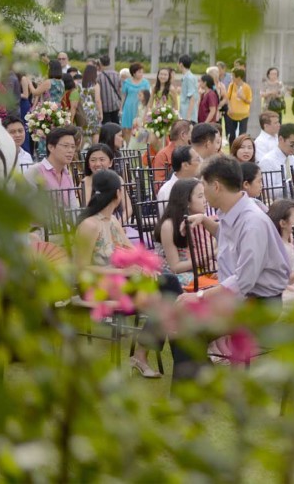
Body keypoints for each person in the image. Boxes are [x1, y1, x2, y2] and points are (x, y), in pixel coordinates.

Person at [172, 155, 291, 383]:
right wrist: (206, 222)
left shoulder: (252, 221)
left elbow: (243, 282)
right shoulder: (234, 210)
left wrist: (199, 296)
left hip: (259, 303)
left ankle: (192, 399)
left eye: (203, 186)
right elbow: (231, 241)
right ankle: (198, 391)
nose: (202, 192)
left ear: (216, 186)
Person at [74, 169, 182, 378]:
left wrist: (146, 266)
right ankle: (164, 351)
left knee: (167, 286)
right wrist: (124, 271)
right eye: (122, 190)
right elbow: (81, 269)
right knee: (164, 294)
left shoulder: (112, 221)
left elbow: (130, 251)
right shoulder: (89, 225)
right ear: (116, 194)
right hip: (95, 286)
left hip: (118, 280)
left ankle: (149, 353)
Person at [154, 178, 206, 289]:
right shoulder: (169, 226)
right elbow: (175, 267)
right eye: (201, 196)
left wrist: (210, 261)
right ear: (186, 202)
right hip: (173, 277)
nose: (205, 200)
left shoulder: (201, 220)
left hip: (195, 269)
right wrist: (208, 257)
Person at [26, 126, 79, 207]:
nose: (70, 150)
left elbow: (74, 208)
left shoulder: (67, 175)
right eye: (66, 146)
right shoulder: (35, 171)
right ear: (51, 147)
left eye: (73, 147)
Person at [81, 144, 130, 220]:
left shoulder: (118, 179)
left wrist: (119, 224)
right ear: (88, 164)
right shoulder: (85, 182)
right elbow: (87, 210)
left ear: (110, 162)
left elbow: (128, 208)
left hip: (117, 223)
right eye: (93, 160)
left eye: (102, 160)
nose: (97, 164)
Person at [120, 63, 150, 139]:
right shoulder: (127, 82)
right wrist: (121, 108)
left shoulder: (145, 83)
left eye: (142, 72)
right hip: (128, 107)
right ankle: (128, 147)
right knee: (127, 128)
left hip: (140, 107)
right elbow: (123, 96)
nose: (141, 74)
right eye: (139, 72)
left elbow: (148, 96)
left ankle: (137, 146)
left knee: (139, 128)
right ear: (134, 73)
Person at [225, 69, 252, 143]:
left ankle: (240, 151)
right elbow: (228, 98)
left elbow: (249, 101)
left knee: (242, 136)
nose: (231, 77)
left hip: (243, 115)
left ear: (239, 77)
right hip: (232, 115)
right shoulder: (231, 85)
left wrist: (243, 97)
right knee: (232, 135)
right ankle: (232, 152)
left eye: (233, 76)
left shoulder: (246, 87)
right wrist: (229, 108)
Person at [78, 64, 103, 144]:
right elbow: (97, 100)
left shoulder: (79, 84)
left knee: (82, 131)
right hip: (92, 110)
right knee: (95, 131)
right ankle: (95, 148)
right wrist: (100, 113)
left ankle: (81, 151)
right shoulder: (95, 85)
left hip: (82, 109)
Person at [97, 56, 123, 125]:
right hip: (115, 105)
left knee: (106, 127)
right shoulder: (117, 74)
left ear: (100, 63)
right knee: (117, 126)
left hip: (104, 107)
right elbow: (121, 90)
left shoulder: (98, 76)